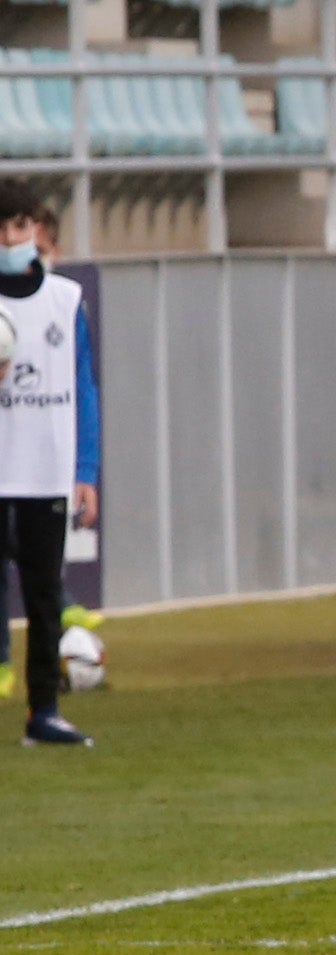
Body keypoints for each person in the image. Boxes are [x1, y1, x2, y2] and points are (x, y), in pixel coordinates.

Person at [0, 178, 100, 746]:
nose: (13, 239)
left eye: (20, 228)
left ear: (33, 231)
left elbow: (83, 387)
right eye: (3, 230)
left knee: (43, 598)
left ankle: (44, 712)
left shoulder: (64, 299)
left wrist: (85, 470)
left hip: (44, 472)